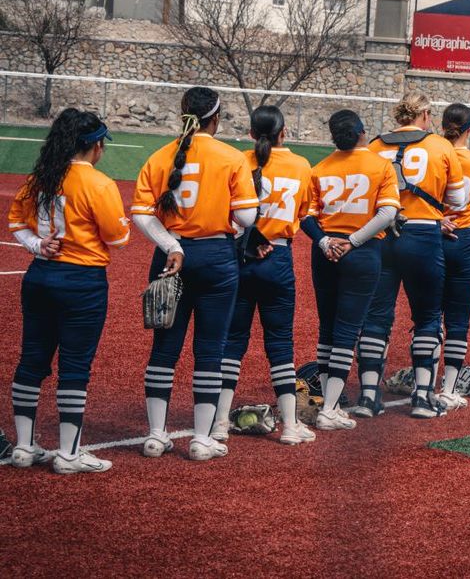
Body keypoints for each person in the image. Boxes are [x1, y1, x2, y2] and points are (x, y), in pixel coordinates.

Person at [132, 87, 259, 461]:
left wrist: (172, 245)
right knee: (211, 349)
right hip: (217, 255)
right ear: (215, 119)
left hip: (172, 255)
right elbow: (248, 217)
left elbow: (141, 213)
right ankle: (201, 439)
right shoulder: (232, 157)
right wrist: (226, 232)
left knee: (164, 348)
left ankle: (156, 435)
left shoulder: (160, 156)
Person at [7, 110, 128, 474]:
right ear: (93, 146)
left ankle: (24, 447)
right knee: (75, 367)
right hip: (83, 282)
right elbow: (118, 238)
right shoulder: (99, 184)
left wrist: (36, 245)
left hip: (41, 276)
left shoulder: (40, 178)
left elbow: (16, 223)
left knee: (31, 360)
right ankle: (68, 454)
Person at [214, 106, 316, 446]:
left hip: (240, 254)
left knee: (232, 341)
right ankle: (289, 425)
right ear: (283, 131)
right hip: (278, 256)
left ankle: (217, 425)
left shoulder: (238, 159)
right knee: (280, 343)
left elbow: (228, 209)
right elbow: (303, 211)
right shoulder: (301, 165)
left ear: (252, 132)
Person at [364, 93, 464, 418]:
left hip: (382, 232)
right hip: (423, 234)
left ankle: (368, 397)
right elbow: (458, 199)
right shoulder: (439, 146)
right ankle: (422, 397)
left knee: (377, 316)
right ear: (423, 113)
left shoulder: (376, 145)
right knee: (428, 316)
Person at [303, 110, 400, 428]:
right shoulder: (380, 165)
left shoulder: (319, 168)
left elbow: (307, 217)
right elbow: (387, 213)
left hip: (326, 252)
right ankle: (330, 407)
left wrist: (324, 243)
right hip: (361, 253)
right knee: (347, 330)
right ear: (361, 132)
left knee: (327, 328)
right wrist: (353, 242)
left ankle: (328, 402)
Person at [436, 103, 470, 407]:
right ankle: (448, 388)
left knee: (429, 316)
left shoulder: (431, 154)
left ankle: (423, 383)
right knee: (459, 320)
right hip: (467, 238)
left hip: (432, 236)